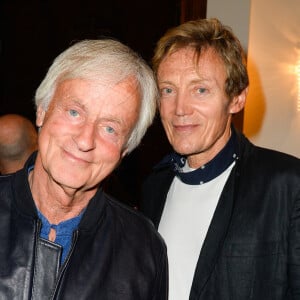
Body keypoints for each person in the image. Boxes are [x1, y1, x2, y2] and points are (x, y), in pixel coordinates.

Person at [140, 18, 300, 300]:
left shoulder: (287, 185)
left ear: (237, 98)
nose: (180, 109)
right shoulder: (154, 185)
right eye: (168, 90)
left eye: (200, 90)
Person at [0, 39, 168, 299]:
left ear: (124, 150)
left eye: (109, 128)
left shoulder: (143, 250)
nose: (85, 140)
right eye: (74, 112)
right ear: (42, 111)